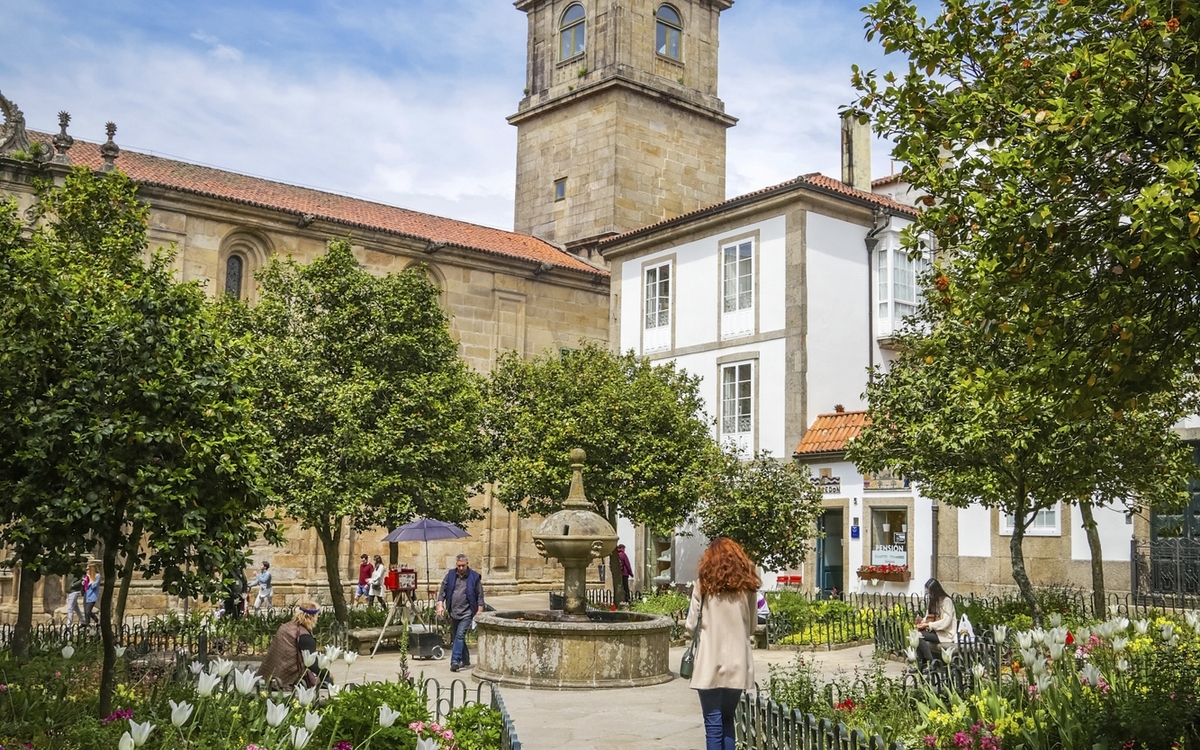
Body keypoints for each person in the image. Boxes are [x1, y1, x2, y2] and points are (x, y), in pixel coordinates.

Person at [685, 537, 758, 750]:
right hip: (738, 662)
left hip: (709, 661)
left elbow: (691, 625)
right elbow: (752, 626)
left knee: (713, 724)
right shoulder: (748, 588)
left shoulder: (703, 586)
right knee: (727, 720)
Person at [257, 601, 331, 689]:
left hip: (269, 677)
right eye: (317, 615)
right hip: (288, 680)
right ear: (312, 616)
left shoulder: (285, 627)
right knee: (327, 680)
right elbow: (312, 664)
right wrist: (327, 674)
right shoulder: (304, 636)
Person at [436, 554, 484, 673]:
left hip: (467, 613)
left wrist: (479, 611)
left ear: (467, 564)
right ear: (456, 565)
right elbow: (442, 591)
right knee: (457, 636)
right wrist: (440, 605)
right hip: (454, 611)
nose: (461, 568)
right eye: (459, 566)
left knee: (460, 635)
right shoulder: (451, 575)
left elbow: (480, 596)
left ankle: (455, 661)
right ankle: (466, 660)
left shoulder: (474, 577)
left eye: (463, 565)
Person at [916, 577, 957, 670]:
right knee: (916, 636)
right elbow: (928, 616)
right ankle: (922, 664)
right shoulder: (933, 601)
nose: (929, 595)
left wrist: (928, 625)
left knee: (918, 636)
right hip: (935, 632)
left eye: (930, 592)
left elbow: (946, 622)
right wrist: (922, 621)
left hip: (945, 633)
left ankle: (931, 663)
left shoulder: (947, 601)